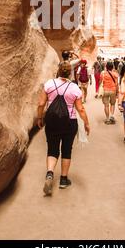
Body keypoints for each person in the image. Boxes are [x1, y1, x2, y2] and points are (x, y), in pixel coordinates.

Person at [37, 61, 90, 196]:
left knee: (52, 148)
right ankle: (63, 180)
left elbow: (41, 103)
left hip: (52, 120)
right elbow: (81, 109)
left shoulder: (49, 84)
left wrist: (39, 118)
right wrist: (86, 123)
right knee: (66, 149)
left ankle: (50, 174)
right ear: (70, 73)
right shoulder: (74, 88)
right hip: (69, 122)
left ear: (59, 71)